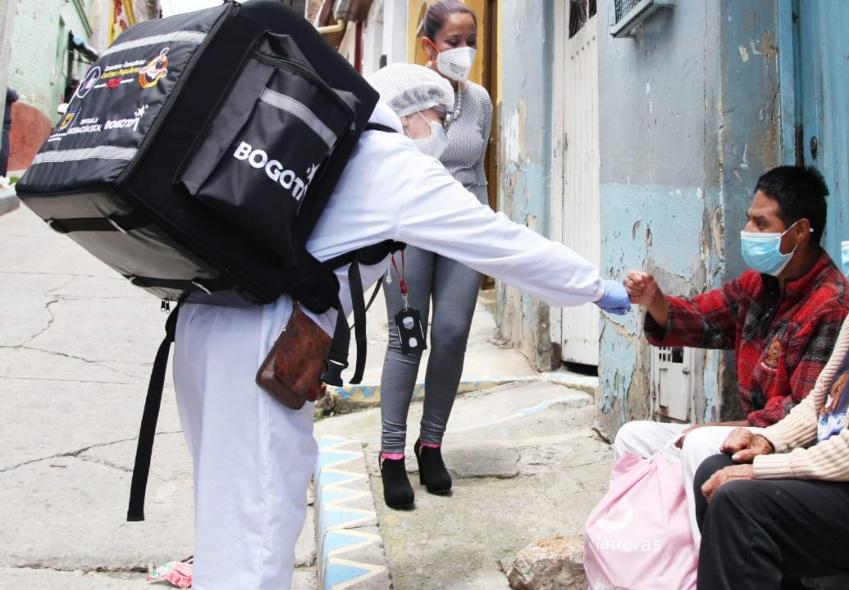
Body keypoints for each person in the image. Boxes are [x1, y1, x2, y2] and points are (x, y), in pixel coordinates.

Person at [171, 77, 632, 589]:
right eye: (437, 117)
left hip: (206, 324)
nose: (440, 129)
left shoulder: (337, 154)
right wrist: (593, 286)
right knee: (257, 532)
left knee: (226, 511)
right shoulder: (393, 163)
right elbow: (500, 241)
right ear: (410, 114)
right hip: (260, 345)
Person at [693, 181, 849, 590]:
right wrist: (767, 443)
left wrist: (769, 470)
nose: (848, 245)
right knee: (717, 469)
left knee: (740, 502)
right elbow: (818, 404)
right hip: (841, 481)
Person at [615, 166, 849, 545]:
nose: (748, 232)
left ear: (798, 231)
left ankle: (706, 566)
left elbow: (804, 411)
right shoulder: (758, 285)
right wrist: (654, 299)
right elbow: (701, 317)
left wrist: (717, 429)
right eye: (749, 219)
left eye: (761, 224)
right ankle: (649, 553)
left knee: (697, 444)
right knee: (633, 437)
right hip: (747, 428)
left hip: (786, 442)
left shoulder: (833, 306)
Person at [373, 0, 495, 509]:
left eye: (470, 41)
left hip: (463, 226)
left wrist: (487, 231)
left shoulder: (481, 100)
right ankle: (392, 453)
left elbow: (480, 170)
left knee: (451, 334)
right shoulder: (398, 95)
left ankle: (432, 444)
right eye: (452, 42)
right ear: (429, 45)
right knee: (407, 337)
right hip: (410, 225)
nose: (463, 51)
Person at [1, 87, 17, 177]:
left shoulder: (4, 88)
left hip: (3, 128)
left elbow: (14, 97)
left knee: (3, 153)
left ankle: (1, 178)